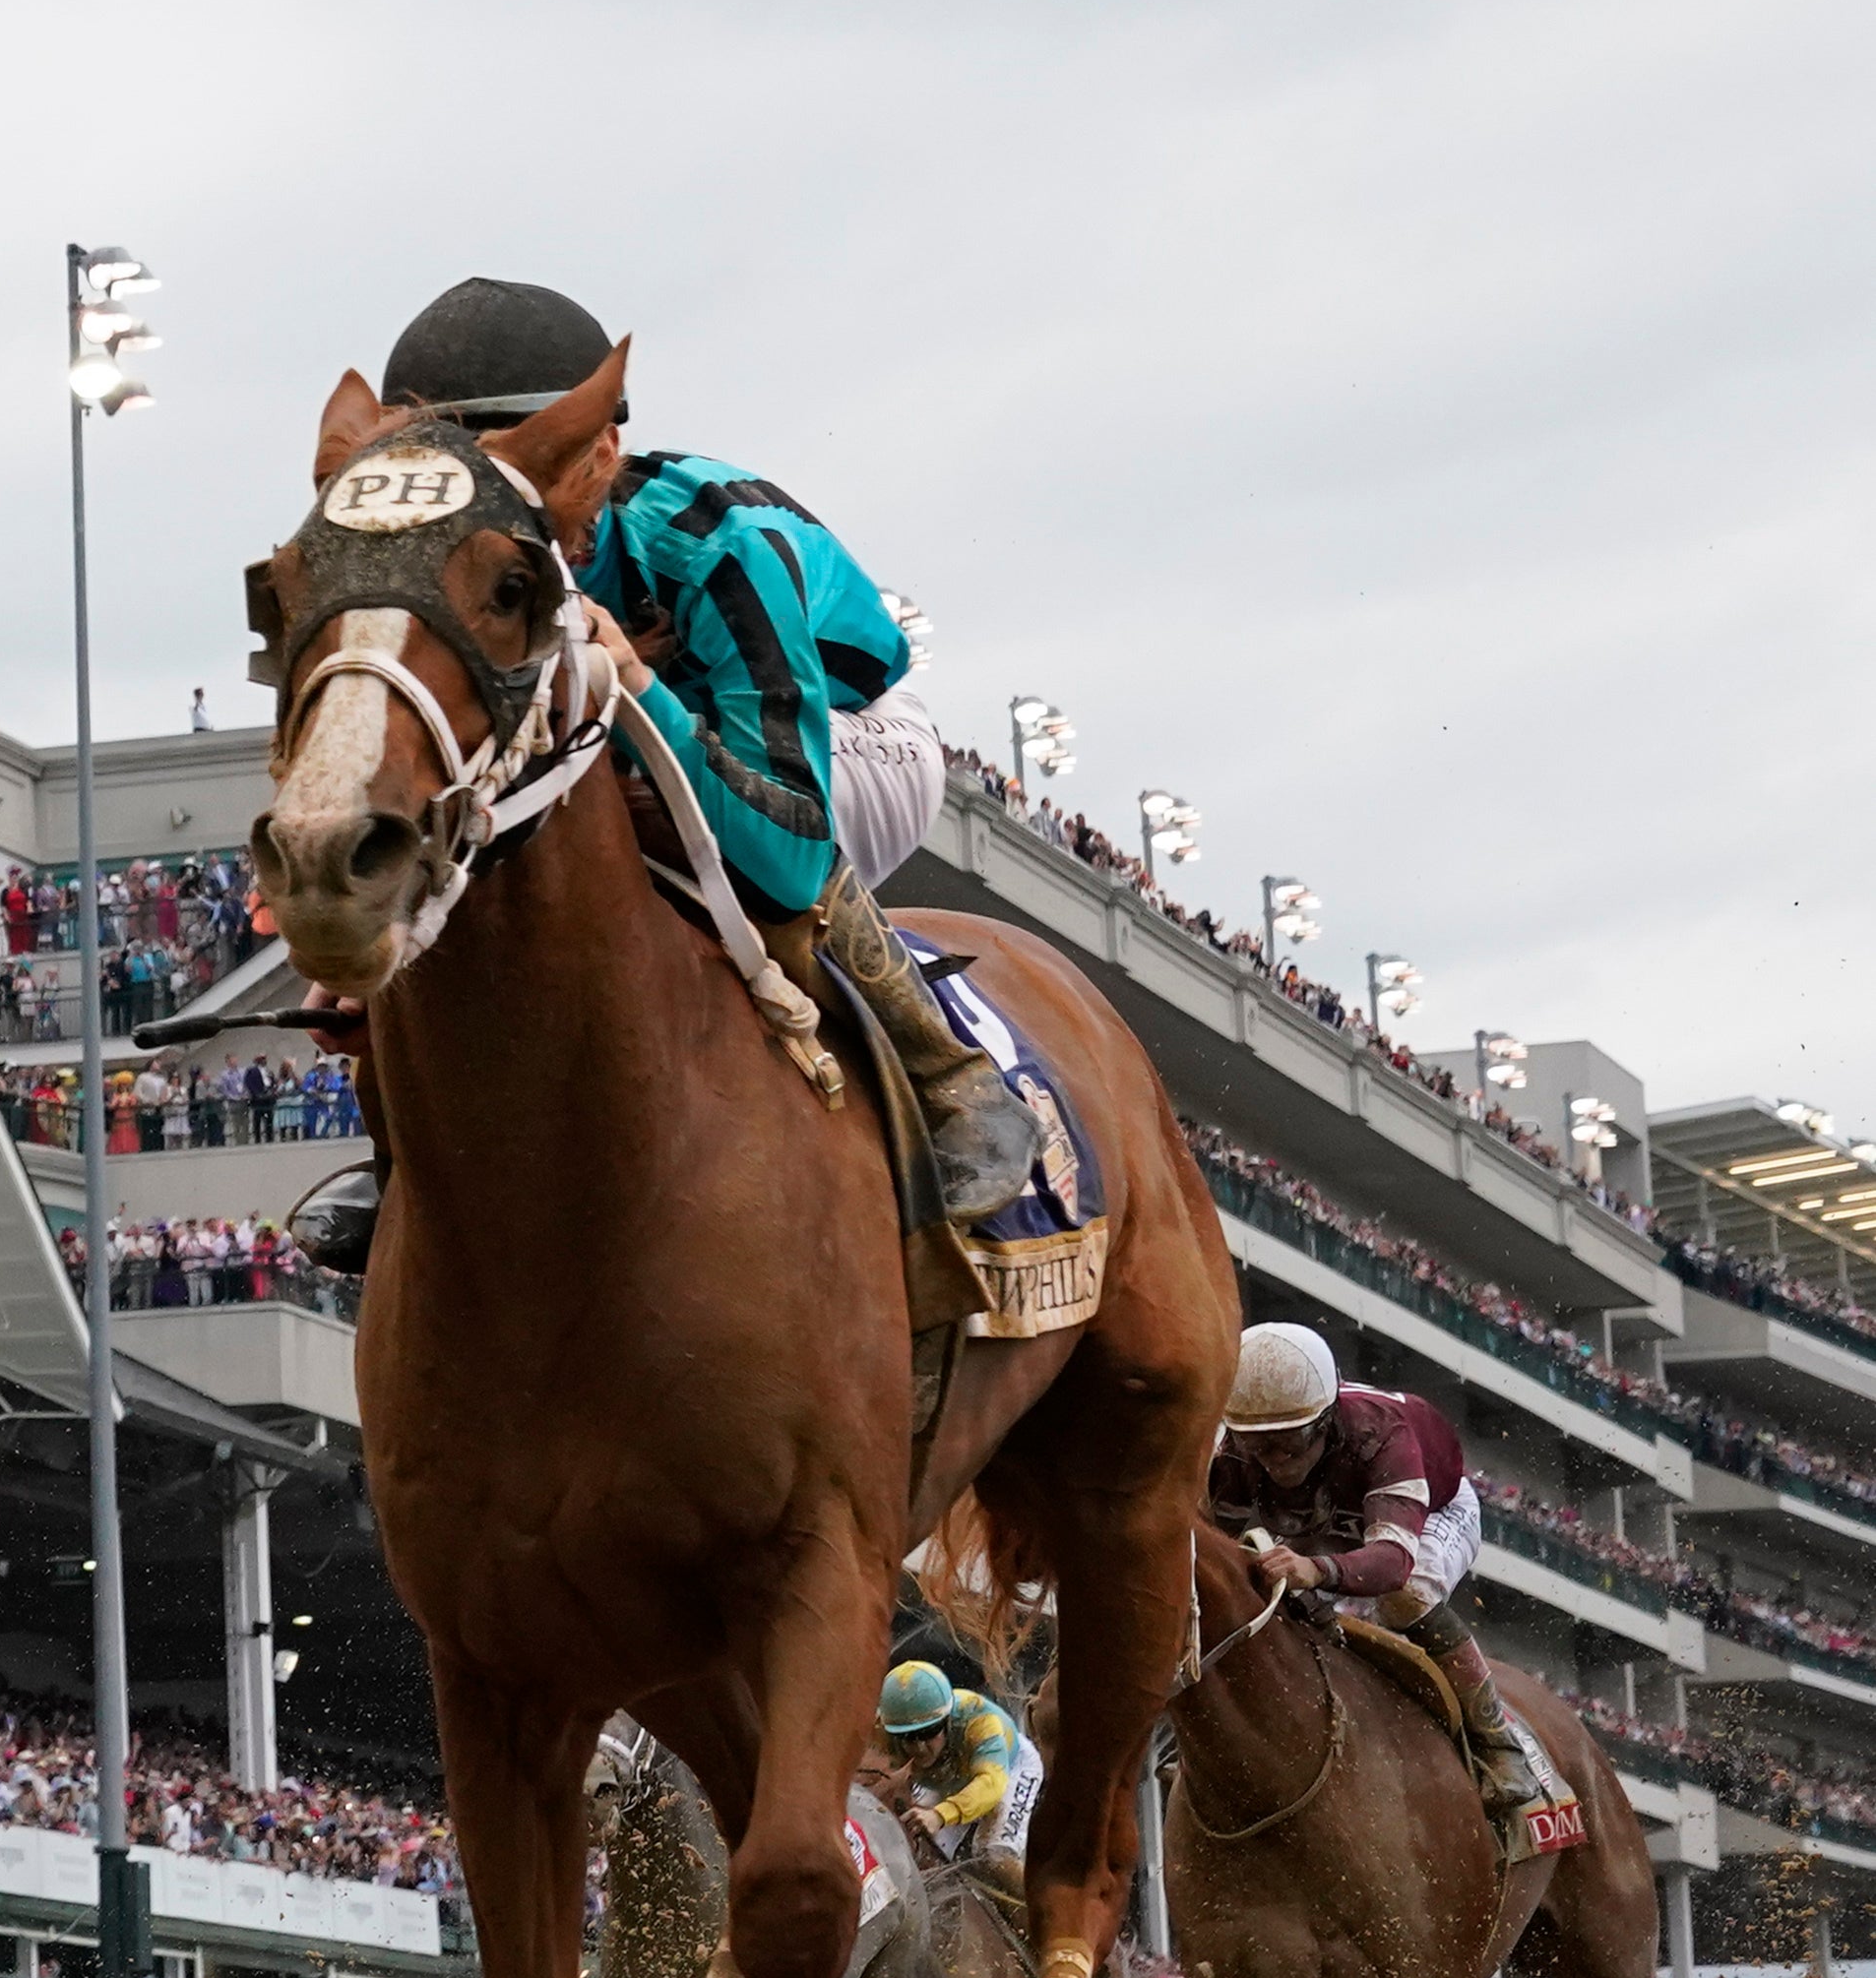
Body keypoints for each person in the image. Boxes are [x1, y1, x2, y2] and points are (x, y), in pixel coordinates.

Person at [288, 277, 1033, 1278]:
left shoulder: (718, 538)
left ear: (596, 456)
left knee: (712, 831)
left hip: (853, 738)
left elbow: (785, 846)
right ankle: (405, 1161)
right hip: (648, 736)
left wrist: (636, 685)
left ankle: (950, 1077)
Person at [1215, 1322, 1547, 1827]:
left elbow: (1392, 1564)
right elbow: (1205, 1546)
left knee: (1406, 1598)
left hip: (1431, 1514)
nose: (1277, 1461)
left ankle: (1497, 1744)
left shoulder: (1381, 1433)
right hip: (1327, 1520)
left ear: (1325, 1420)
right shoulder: (1234, 1453)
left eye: (1291, 1441)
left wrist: (1316, 1568)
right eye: (1261, 1446)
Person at [876, 1660, 1042, 1918]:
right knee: (926, 1846)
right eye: (910, 1737)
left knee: (992, 1852)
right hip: (949, 1776)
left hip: (1008, 1768)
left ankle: (1051, 1919)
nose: (920, 1748)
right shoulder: (880, 1729)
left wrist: (941, 1814)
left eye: (930, 1732)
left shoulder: (980, 1722)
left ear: (947, 1721)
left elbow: (991, 1785)